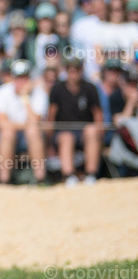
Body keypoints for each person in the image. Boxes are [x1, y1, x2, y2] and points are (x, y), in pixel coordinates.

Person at [0, 59, 48, 185]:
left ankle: (40, 179)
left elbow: (35, 121)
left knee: (32, 132)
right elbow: (2, 124)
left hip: (31, 135)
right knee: (8, 133)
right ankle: (4, 181)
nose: (21, 81)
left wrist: (25, 97)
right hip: (9, 136)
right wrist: (25, 125)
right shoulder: (1, 92)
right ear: (12, 77)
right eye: (18, 77)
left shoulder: (39, 93)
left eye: (24, 77)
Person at [48, 57, 103, 186]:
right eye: (70, 70)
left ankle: (91, 174)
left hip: (84, 132)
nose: (73, 74)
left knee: (92, 130)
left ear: (81, 70)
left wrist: (100, 135)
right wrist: (49, 142)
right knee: (67, 137)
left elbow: (98, 115)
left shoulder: (90, 88)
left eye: (76, 70)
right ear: (66, 71)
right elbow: (51, 117)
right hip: (63, 133)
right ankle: (69, 175)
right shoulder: (57, 89)